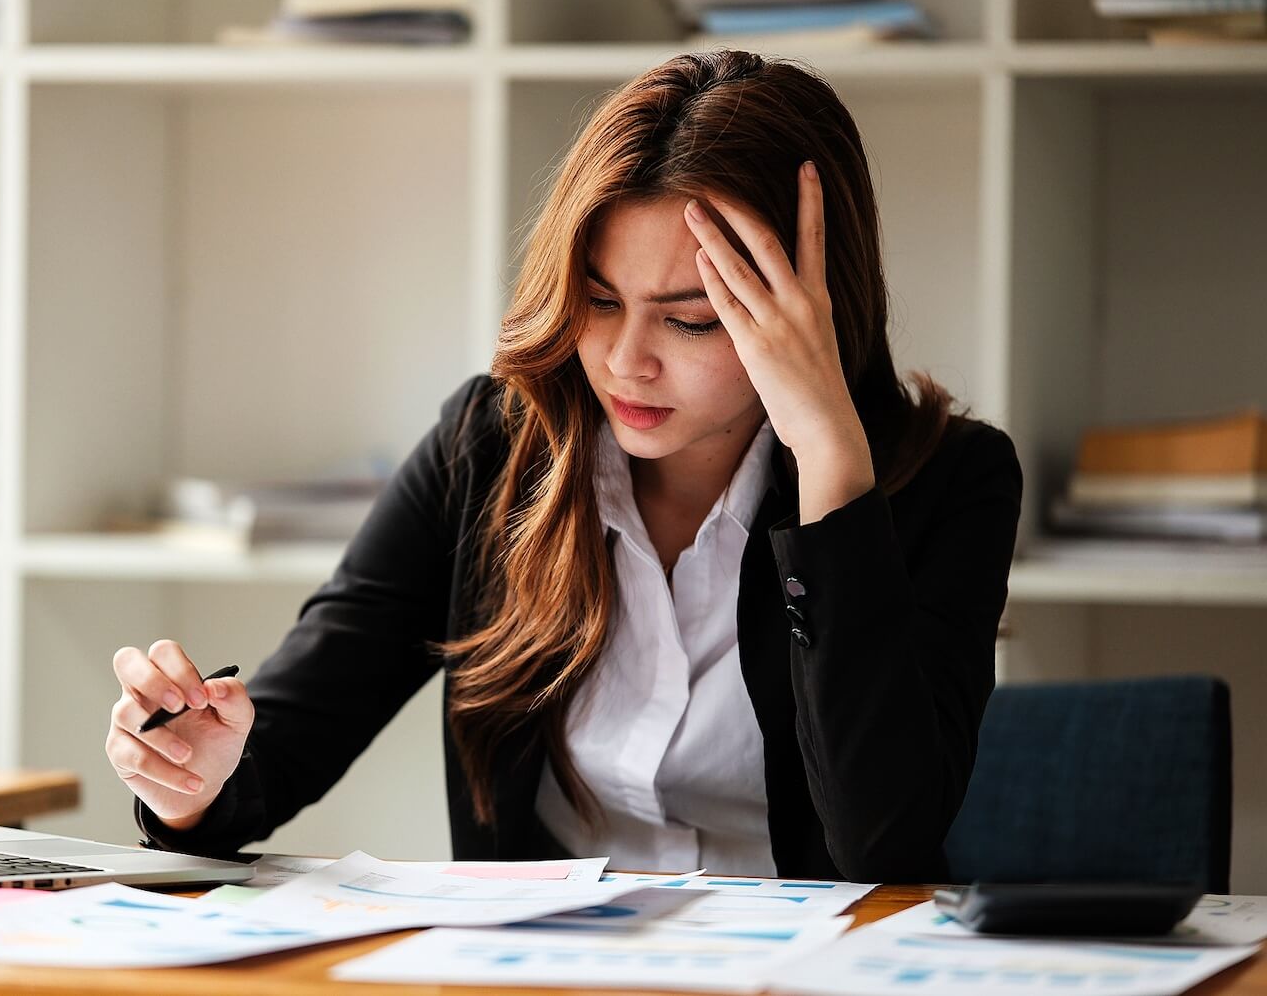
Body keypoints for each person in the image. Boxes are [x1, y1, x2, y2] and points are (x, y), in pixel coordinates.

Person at [104, 49, 1023, 883]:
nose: (626, 359)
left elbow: (886, 847)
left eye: (691, 318)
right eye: (596, 298)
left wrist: (830, 460)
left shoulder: (950, 484)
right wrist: (195, 776)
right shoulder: (490, 447)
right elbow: (287, 741)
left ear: (811, 307)